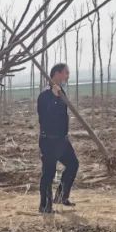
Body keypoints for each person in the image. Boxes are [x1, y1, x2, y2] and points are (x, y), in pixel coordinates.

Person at [37, 63, 79, 212]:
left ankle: (61, 196)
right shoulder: (45, 95)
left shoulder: (62, 92)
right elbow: (45, 116)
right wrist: (54, 99)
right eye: (66, 73)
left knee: (73, 164)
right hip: (49, 140)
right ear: (57, 73)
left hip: (62, 140)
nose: (68, 76)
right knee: (48, 173)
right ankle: (45, 206)